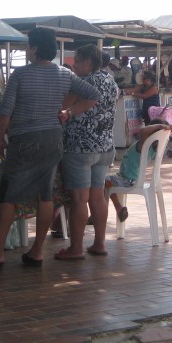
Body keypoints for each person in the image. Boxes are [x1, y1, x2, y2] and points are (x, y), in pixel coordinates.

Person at [0, 27, 100, 271]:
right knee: (45, 194)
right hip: (52, 139)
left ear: (35, 48)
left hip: (24, 139)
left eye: (29, 45)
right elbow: (93, 95)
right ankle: (37, 251)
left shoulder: (20, 75)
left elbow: (6, 111)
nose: (27, 50)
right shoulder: (64, 74)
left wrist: (0, 138)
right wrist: (68, 112)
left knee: (9, 195)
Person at [56, 45, 118, 260]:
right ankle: (99, 244)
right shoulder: (111, 81)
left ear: (88, 62)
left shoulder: (84, 83)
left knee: (79, 199)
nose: (74, 66)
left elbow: (63, 106)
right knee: (97, 197)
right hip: (105, 147)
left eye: (77, 62)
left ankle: (76, 248)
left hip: (79, 148)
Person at [105, 119, 172, 225]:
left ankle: (110, 211)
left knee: (100, 181)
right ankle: (118, 209)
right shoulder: (152, 148)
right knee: (106, 182)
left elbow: (143, 131)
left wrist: (159, 126)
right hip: (127, 179)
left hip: (127, 181)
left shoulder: (144, 146)